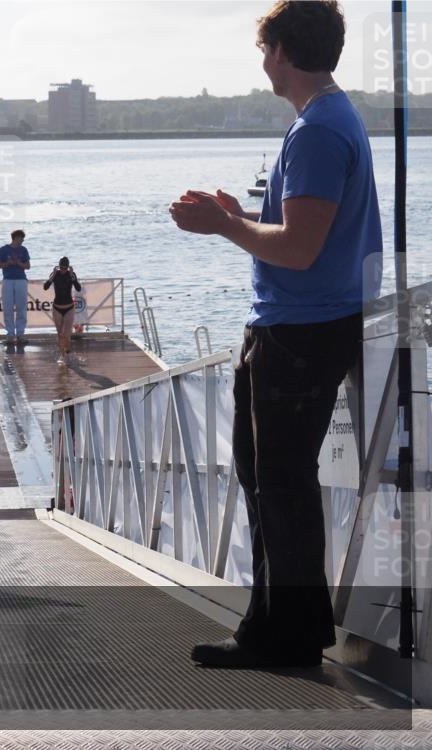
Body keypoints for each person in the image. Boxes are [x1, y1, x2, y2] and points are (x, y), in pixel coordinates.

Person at [169, 0, 381, 669]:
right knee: (269, 479)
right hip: (299, 326)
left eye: (265, 49)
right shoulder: (326, 121)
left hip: (301, 331)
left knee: (280, 484)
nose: (263, 62)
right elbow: (298, 233)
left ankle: (283, 636)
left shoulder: (318, 130)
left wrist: (222, 226)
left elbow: (298, 250)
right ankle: (283, 626)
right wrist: (243, 216)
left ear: (284, 50)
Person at [43, 257, 81, 364]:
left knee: (66, 334)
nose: (63, 270)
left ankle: (67, 353)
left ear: (68, 267)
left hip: (69, 307)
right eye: (61, 268)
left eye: (65, 268)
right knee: (60, 334)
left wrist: (73, 277)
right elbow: (45, 287)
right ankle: (63, 356)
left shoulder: (71, 274)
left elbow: (78, 288)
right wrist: (53, 276)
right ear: (59, 266)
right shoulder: (55, 274)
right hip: (57, 308)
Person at [0, 229, 30, 344]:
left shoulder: (23, 250)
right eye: (21, 238)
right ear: (15, 238)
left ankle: (20, 334)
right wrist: (8, 263)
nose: (22, 241)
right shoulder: (4, 249)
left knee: (21, 307)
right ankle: (10, 334)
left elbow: (28, 266)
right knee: (8, 307)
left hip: (21, 280)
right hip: (8, 280)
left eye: (23, 239)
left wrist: (19, 264)